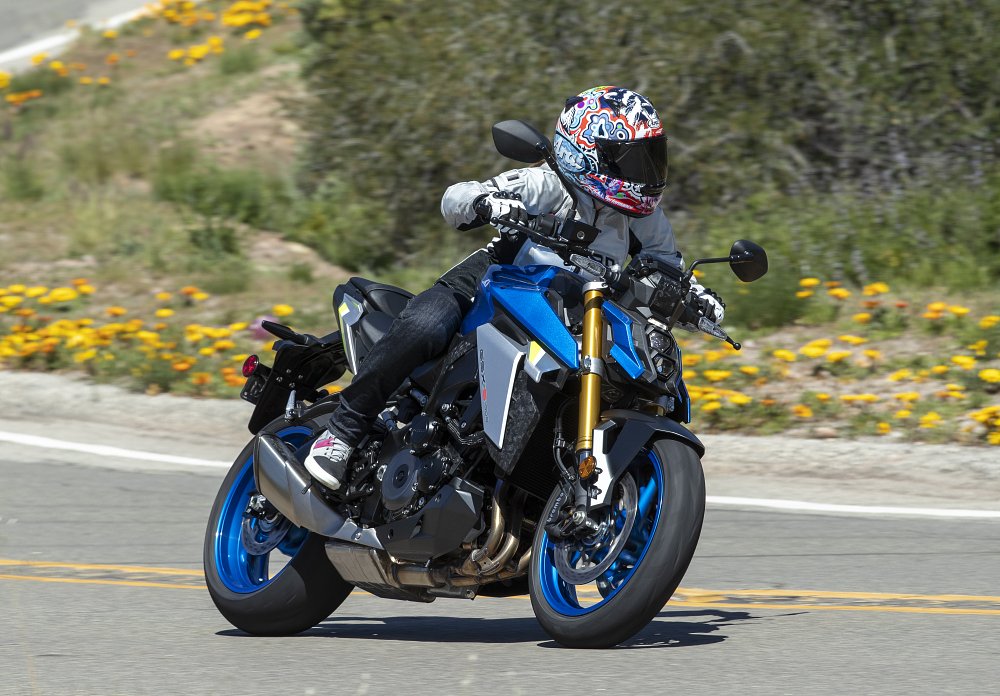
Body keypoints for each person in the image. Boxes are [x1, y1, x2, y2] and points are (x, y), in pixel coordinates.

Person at [304, 85, 724, 491]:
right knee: (427, 324)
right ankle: (342, 431)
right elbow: (458, 196)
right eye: (630, 160)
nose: (643, 173)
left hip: (577, 310)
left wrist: (693, 298)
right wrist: (487, 203)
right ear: (586, 152)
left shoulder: (642, 217)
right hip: (499, 278)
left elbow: (667, 267)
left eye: (649, 158)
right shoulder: (549, 184)